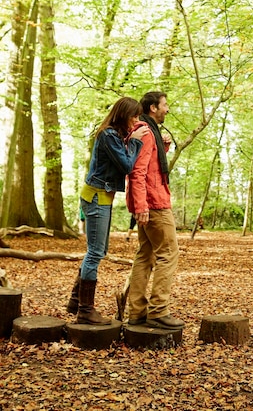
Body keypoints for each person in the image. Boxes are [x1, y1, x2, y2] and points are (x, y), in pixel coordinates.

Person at [66, 97, 148, 325]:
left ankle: (75, 300)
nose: (137, 120)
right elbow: (127, 165)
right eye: (134, 116)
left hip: (101, 198)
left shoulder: (116, 135)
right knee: (95, 253)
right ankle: (85, 310)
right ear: (123, 114)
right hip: (96, 198)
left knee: (97, 250)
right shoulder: (109, 135)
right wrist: (136, 142)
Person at [126, 91, 184, 330]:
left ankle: (137, 312)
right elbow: (137, 172)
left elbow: (149, 166)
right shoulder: (146, 133)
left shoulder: (146, 132)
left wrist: (164, 149)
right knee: (168, 254)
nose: (167, 109)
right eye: (164, 105)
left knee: (145, 254)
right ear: (152, 108)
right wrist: (141, 206)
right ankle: (158, 310)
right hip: (154, 204)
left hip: (148, 202)